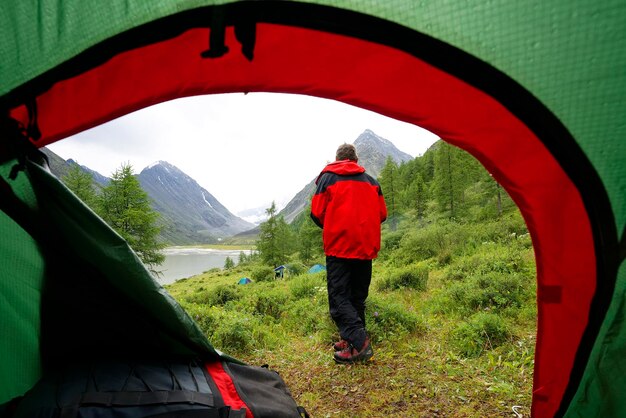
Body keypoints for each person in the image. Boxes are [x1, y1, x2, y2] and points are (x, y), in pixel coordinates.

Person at [310, 143, 387, 364]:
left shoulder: (328, 178)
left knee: (339, 300)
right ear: (355, 159)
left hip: (339, 248)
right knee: (357, 298)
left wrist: (336, 225)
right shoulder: (372, 182)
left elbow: (317, 212)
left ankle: (360, 344)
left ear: (337, 159)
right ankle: (351, 340)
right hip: (365, 248)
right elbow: (382, 214)